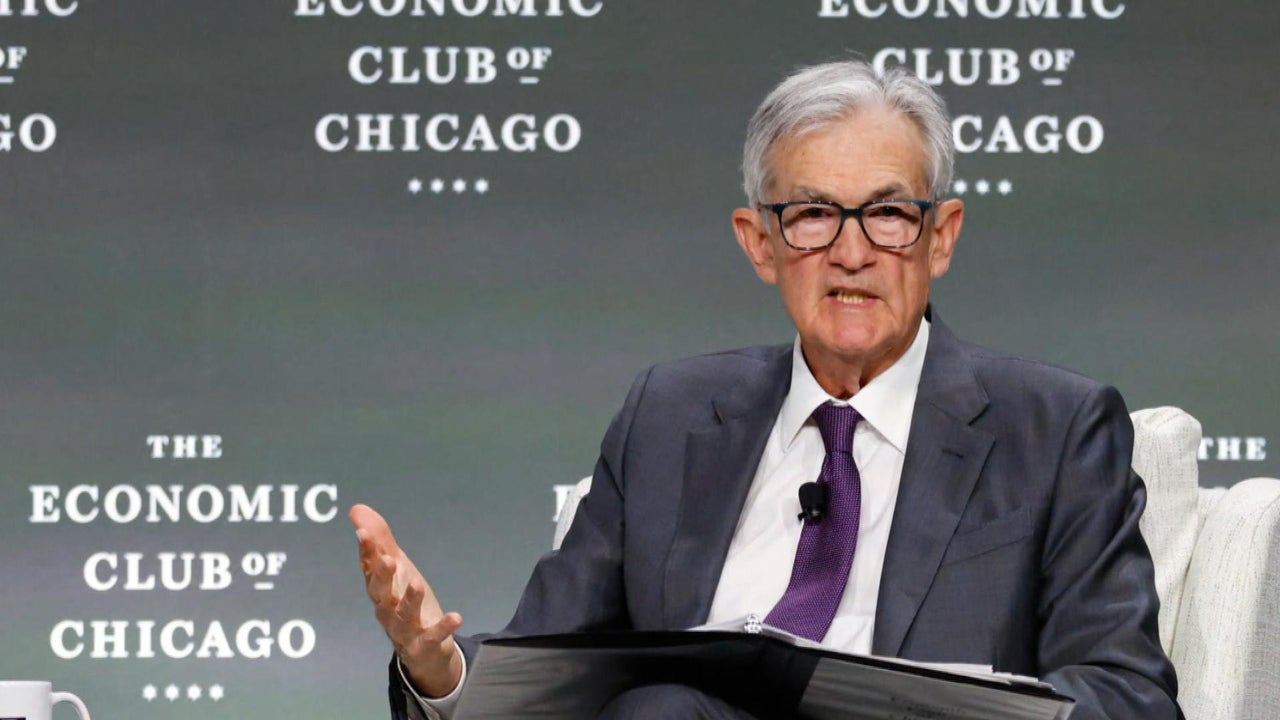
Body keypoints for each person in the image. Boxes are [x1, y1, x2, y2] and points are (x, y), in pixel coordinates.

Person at [351, 59, 1182, 719]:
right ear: (760, 244)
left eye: (889, 215)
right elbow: (545, 665)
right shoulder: (669, 417)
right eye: (813, 215)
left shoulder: (1054, 431)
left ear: (941, 238)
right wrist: (439, 667)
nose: (852, 253)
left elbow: (1129, 695)